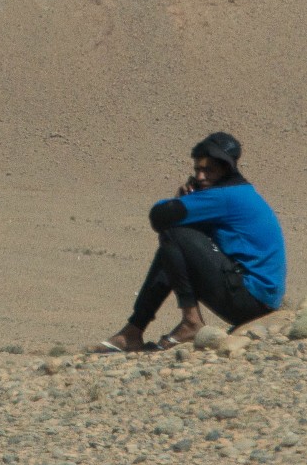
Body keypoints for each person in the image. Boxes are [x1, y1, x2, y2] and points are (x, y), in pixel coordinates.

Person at [94, 132, 286, 353]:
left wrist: (182, 200)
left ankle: (188, 322)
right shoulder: (238, 192)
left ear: (226, 169)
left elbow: (160, 216)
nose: (201, 176)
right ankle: (133, 330)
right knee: (176, 247)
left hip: (249, 299)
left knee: (174, 233)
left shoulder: (224, 196)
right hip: (256, 299)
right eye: (197, 170)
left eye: (209, 170)